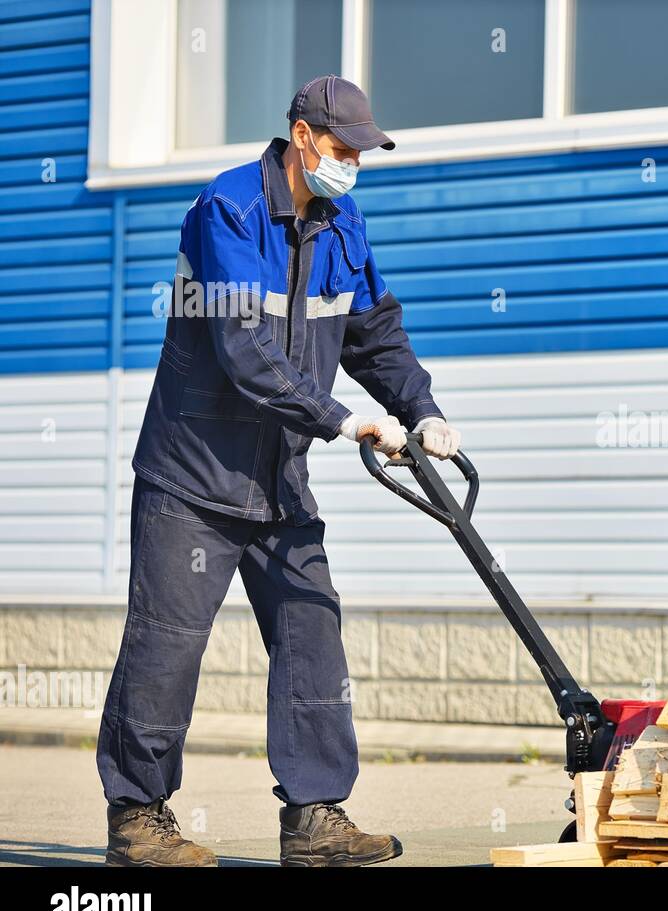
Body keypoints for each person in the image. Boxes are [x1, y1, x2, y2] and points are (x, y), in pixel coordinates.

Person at [96, 75, 459, 867]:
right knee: (167, 646)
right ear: (302, 139)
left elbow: (375, 334)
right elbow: (244, 351)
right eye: (341, 150)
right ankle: (137, 818)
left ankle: (315, 818)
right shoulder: (226, 210)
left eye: (362, 154)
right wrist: (339, 419)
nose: (351, 166)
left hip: (277, 475)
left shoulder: (342, 224)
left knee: (310, 627)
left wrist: (421, 409)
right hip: (192, 474)